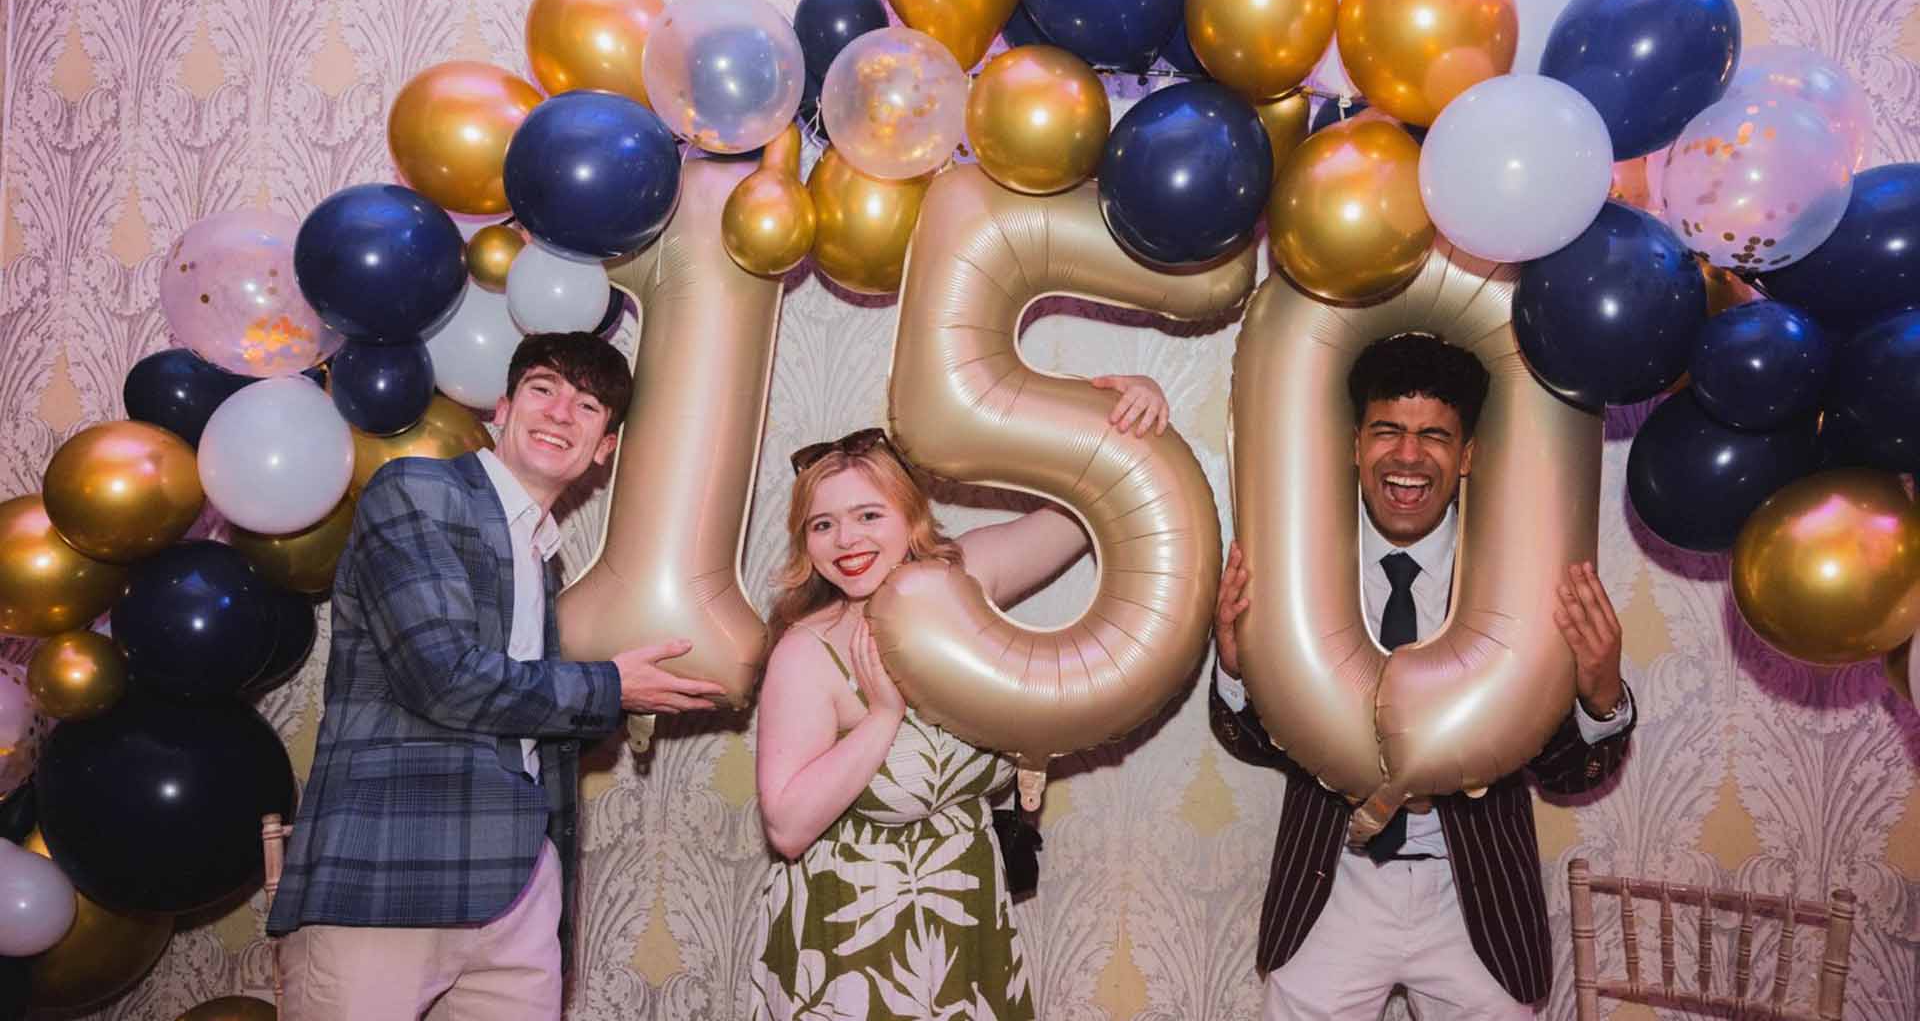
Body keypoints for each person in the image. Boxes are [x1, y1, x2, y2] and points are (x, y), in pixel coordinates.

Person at [267, 332, 729, 1020]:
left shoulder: (546, 561)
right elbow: (442, 678)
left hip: (517, 895)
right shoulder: (418, 491)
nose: (560, 413)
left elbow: (518, 723)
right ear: (503, 410)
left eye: (588, 405)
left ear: (604, 448)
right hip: (389, 878)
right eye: (543, 389)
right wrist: (609, 687)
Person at [1210, 333, 1636, 1020]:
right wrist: (1236, 667)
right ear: (1354, 444)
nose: (1408, 457)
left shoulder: (1519, 578)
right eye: (1388, 431)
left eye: (1434, 436)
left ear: (1466, 455)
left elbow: (1568, 772)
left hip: (1472, 903)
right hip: (1334, 888)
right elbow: (1255, 741)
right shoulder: (1300, 571)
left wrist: (1600, 694)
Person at [749, 375, 1172, 1019]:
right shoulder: (808, 654)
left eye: (869, 515)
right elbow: (786, 826)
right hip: (852, 939)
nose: (847, 541)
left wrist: (1119, 407)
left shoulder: (965, 577)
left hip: (970, 914)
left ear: (910, 516)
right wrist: (884, 716)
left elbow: (1093, 504)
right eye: (823, 525)